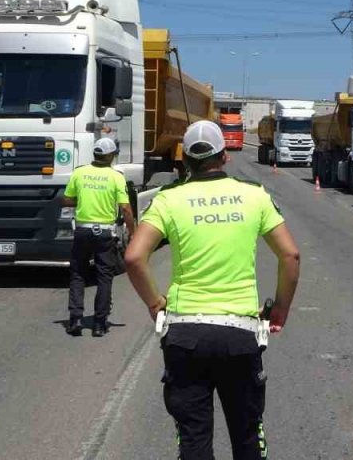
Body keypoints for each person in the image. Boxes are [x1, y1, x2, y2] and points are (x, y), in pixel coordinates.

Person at [125, 121, 301, 460]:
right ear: (225, 156)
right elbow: (290, 255)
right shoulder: (254, 195)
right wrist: (280, 308)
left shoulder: (168, 199)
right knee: (247, 435)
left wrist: (155, 302)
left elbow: (134, 257)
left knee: (194, 440)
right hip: (240, 334)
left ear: (185, 162)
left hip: (185, 335)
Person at [63, 136, 136, 337]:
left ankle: (76, 319)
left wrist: (85, 199)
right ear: (111, 156)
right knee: (104, 276)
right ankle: (99, 323)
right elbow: (126, 209)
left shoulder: (79, 173)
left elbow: (67, 200)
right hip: (105, 233)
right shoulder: (116, 177)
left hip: (82, 231)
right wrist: (134, 232)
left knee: (78, 274)